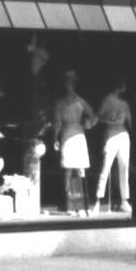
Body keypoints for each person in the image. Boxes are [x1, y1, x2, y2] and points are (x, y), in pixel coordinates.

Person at [51, 71, 92, 214]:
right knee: (68, 170)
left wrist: (89, 123)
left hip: (78, 133)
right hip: (67, 132)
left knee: (80, 169)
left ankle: (80, 203)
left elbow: (93, 116)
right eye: (67, 82)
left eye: (71, 82)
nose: (69, 84)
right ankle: (70, 204)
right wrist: (55, 138)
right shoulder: (60, 103)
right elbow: (57, 122)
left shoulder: (80, 101)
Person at [93, 81, 134, 215]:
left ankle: (124, 201)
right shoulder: (107, 100)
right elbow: (98, 117)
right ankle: (98, 201)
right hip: (111, 134)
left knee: (124, 168)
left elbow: (130, 122)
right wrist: (109, 120)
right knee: (106, 167)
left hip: (123, 135)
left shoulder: (125, 103)